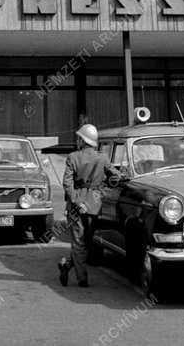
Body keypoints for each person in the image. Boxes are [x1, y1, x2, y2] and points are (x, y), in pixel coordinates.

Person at [58, 123, 115, 288]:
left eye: (79, 138)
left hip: (76, 206)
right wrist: (106, 186)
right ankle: (82, 278)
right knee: (85, 242)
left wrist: (77, 202)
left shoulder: (72, 157)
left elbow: (67, 184)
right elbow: (116, 177)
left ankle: (67, 265)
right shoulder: (102, 158)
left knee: (79, 242)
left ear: (82, 140)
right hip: (95, 205)